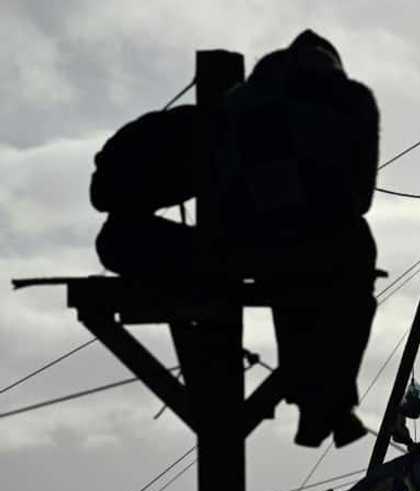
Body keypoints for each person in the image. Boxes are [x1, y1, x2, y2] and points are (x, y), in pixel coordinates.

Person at [90, 30, 380, 448]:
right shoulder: (354, 101)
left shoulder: (238, 103)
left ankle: (315, 402)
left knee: (293, 276)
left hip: (248, 244)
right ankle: (328, 402)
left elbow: (220, 189)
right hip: (319, 247)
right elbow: (361, 198)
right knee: (337, 271)